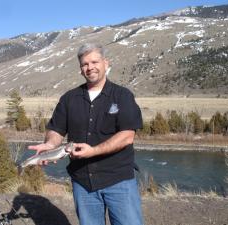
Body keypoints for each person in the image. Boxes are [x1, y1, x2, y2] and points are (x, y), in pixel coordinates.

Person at [28, 43, 145, 225]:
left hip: (119, 181)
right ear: (80, 69)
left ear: (106, 63)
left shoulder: (123, 96)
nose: (90, 67)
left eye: (94, 62)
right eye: (85, 64)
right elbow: (56, 130)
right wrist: (50, 145)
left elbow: (127, 136)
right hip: (83, 183)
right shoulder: (69, 99)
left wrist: (93, 151)